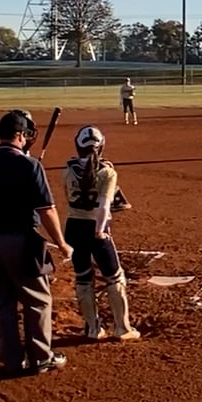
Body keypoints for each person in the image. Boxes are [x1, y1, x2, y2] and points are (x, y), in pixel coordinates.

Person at [0, 109, 72, 375]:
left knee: (2, 302)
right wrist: (61, 243)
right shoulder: (30, 166)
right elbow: (47, 210)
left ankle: (12, 360)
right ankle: (41, 358)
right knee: (37, 301)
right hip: (20, 242)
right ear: (21, 135)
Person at [64, 125, 139, 341]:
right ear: (101, 146)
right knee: (114, 277)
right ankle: (122, 328)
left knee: (83, 278)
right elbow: (105, 206)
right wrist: (99, 230)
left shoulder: (67, 169)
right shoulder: (107, 172)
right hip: (97, 227)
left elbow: (69, 197)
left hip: (73, 227)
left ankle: (92, 329)